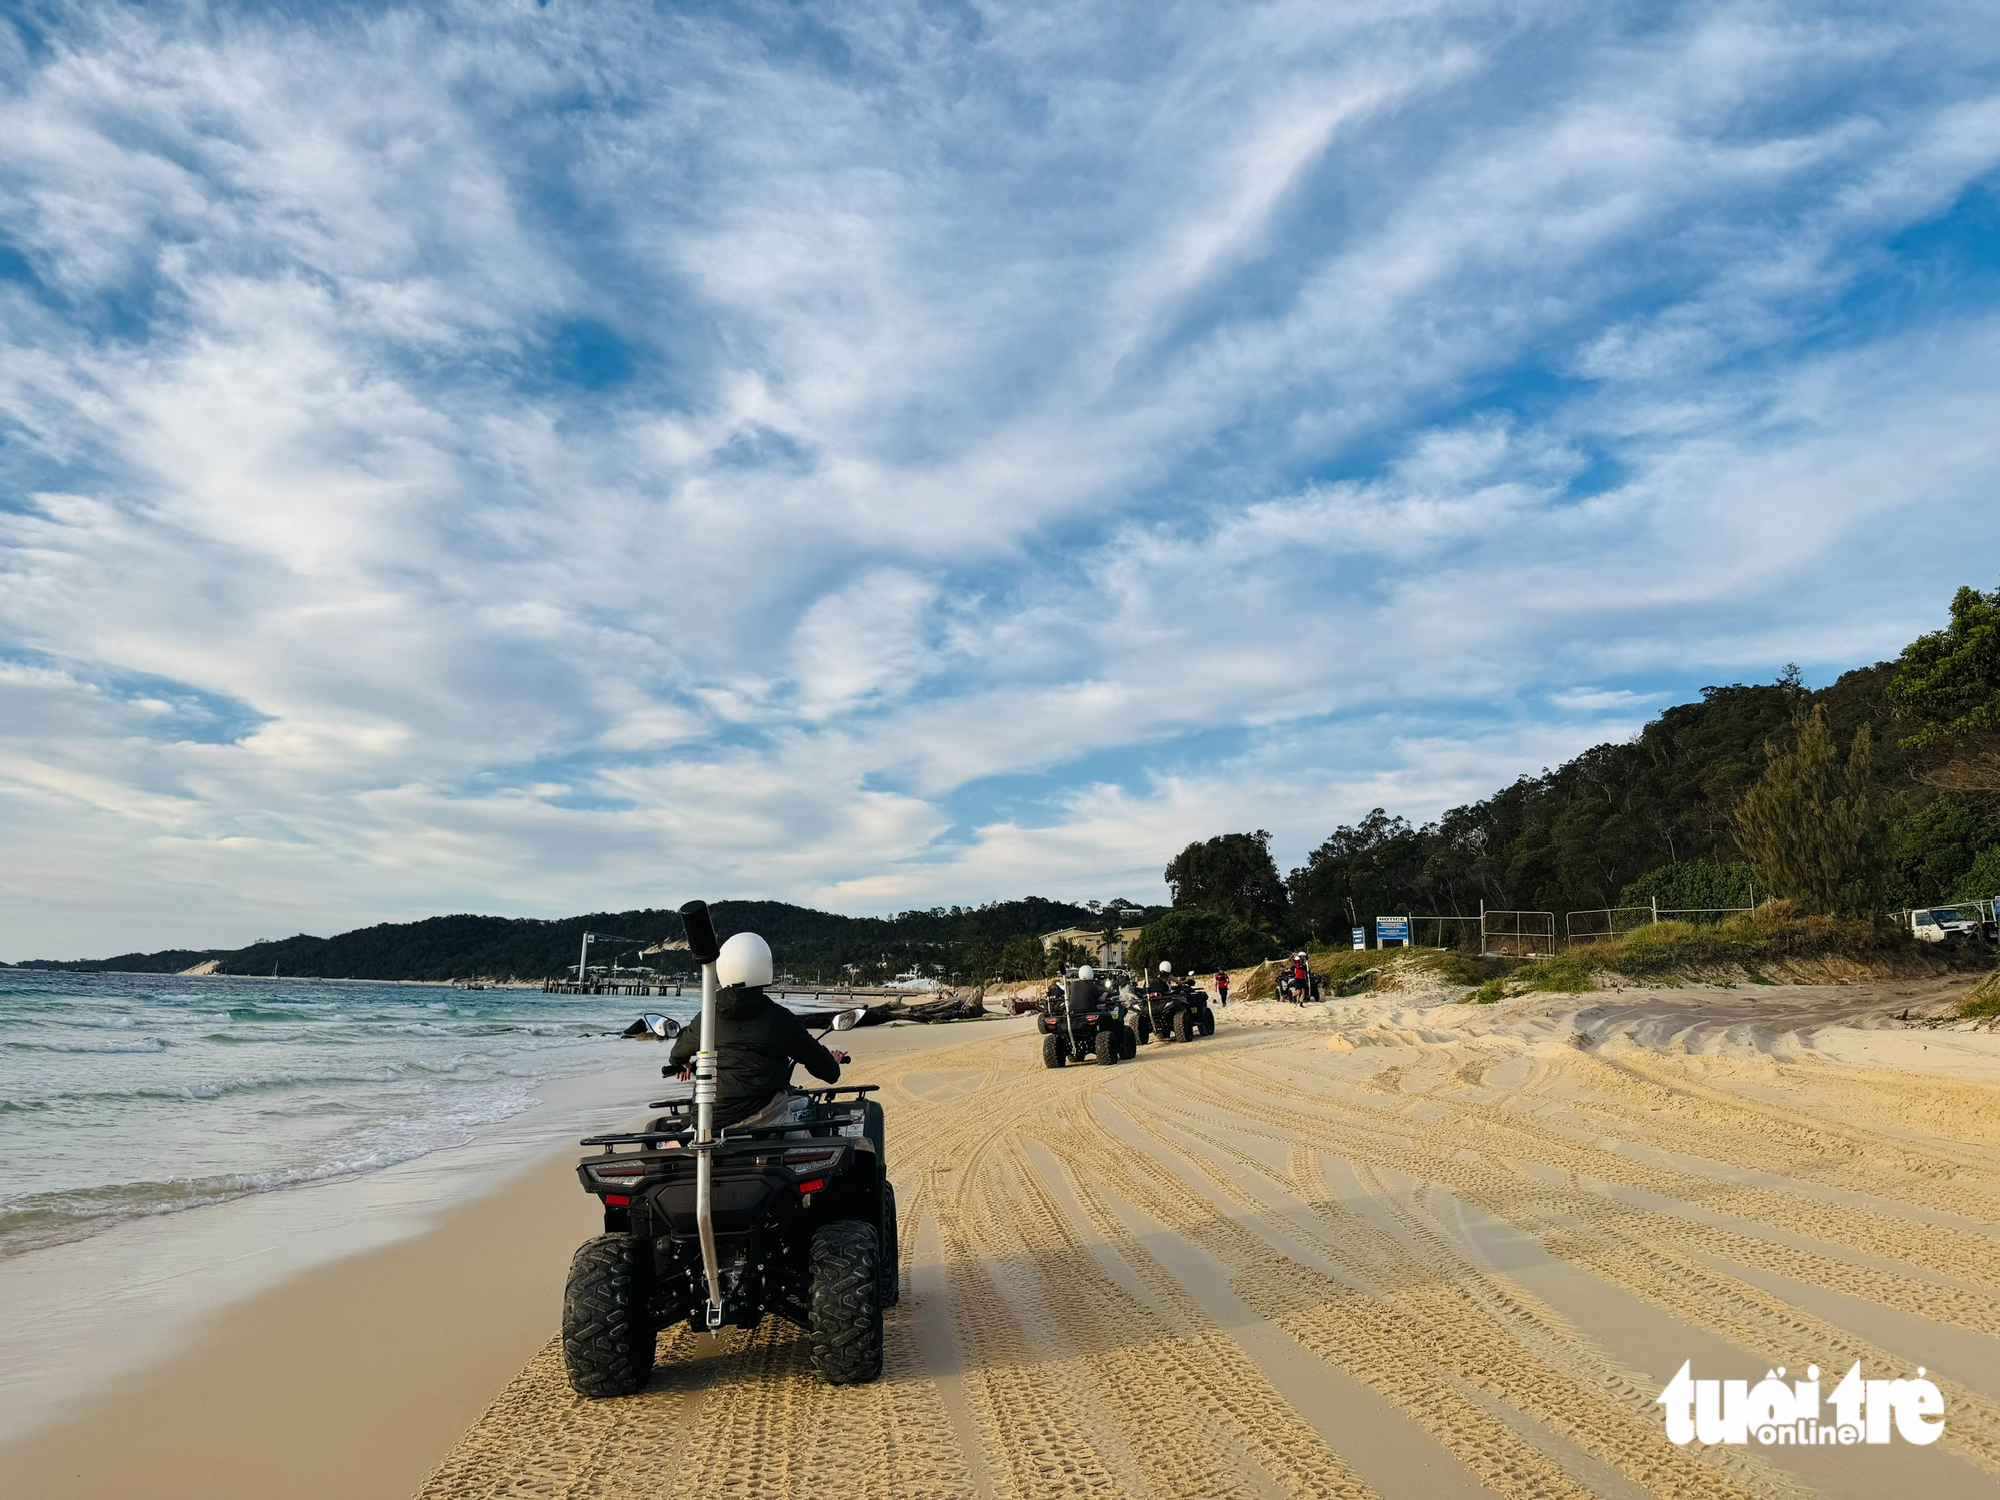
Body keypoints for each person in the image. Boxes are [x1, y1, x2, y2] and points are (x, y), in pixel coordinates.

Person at [668, 932, 849, 1128]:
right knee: (808, 1143)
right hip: (765, 1118)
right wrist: (832, 1063)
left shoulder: (707, 1016)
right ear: (765, 968)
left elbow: (678, 1053)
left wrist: (682, 1063)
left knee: (676, 1150)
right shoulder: (779, 1018)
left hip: (707, 1124)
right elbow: (827, 1071)